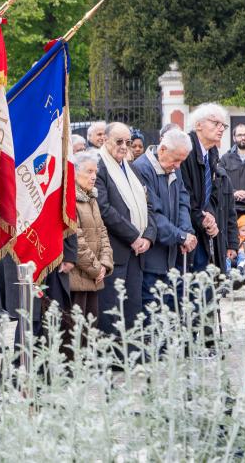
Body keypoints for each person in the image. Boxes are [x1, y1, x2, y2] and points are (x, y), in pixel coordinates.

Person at [95, 122, 156, 334]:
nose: (124, 146)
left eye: (127, 142)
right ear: (105, 140)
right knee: (112, 309)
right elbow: (104, 208)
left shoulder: (130, 168)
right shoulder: (99, 166)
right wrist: (133, 236)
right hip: (115, 250)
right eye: (118, 141)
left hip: (137, 251)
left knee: (132, 307)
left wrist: (148, 236)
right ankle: (112, 359)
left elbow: (148, 204)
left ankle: (131, 357)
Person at [132, 130, 196, 316]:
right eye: (175, 160)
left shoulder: (173, 166)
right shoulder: (142, 168)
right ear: (162, 149)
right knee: (153, 318)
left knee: (170, 317)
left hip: (172, 257)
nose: (177, 166)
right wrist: (180, 235)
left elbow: (183, 200)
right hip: (151, 259)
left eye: (181, 161)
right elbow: (152, 213)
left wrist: (186, 231)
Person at [179, 103, 236, 271]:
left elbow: (211, 192)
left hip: (205, 226)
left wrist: (210, 216)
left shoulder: (212, 152)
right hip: (187, 228)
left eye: (223, 125)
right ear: (198, 125)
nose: (221, 129)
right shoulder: (186, 148)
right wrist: (201, 217)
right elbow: (185, 192)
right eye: (215, 123)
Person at [69, 151, 114, 325]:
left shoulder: (91, 198)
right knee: (75, 329)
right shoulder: (71, 199)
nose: (94, 176)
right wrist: (97, 269)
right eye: (89, 171)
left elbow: (102, 232)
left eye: (95, 172)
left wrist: (105, 264)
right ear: (74, 172)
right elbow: (76, 239)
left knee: (91, 327)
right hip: (77, 277)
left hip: (94, 276)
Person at [220, 124, 245, 204]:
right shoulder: (225, 158)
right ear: (234, 138)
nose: (243, 138)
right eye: (239, 135)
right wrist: (234, 192)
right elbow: (220, 181)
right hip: (231, 207)